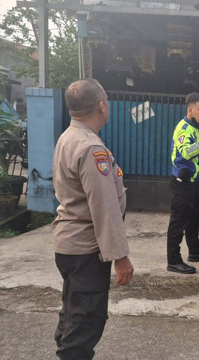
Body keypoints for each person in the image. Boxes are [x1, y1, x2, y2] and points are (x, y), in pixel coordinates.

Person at [52, 78, 134, 360]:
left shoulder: (69, 137)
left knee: (74, 314)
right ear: (102, 105)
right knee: (85, 322)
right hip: (86, 249)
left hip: (71, 246)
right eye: (107, 100)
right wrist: (120, 256)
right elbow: (104, 207)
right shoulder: (90, 147)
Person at [166, 92, 199, 274]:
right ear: (190, 110)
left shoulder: (195, 127)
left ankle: (195, 252)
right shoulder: (183, 128)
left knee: (192, 220)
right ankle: (173, 261)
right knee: (178, 222)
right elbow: (187, 152)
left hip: (192, 182)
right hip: (182, 183)